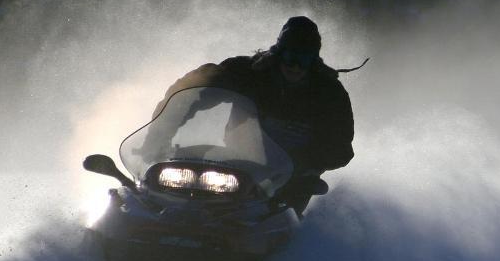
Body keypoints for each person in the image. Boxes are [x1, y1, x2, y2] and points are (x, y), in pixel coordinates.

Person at [152, 16, 355, 215]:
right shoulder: (247, 72)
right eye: (290, 57)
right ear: (279, 53)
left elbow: (341, 147)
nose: (295, 67)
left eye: (304, 60)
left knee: (287, 210)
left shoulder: (330, 93)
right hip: (236, 162)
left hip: (293, 176)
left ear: (314, 61)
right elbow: (193, 91)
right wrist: (159, 134)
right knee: (183, 176)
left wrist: (308, 162)